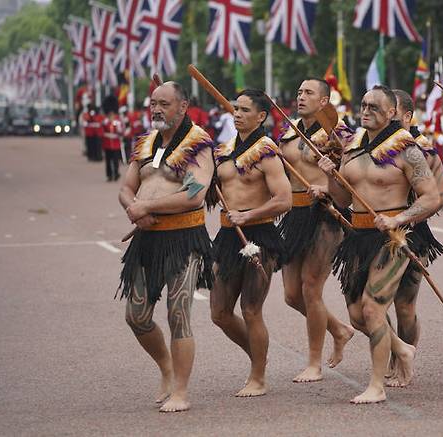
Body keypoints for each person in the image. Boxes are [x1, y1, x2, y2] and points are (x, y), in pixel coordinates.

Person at [318, 85, 440, 404]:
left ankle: (376, 385)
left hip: (393, 239)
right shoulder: (352, 146)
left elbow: (432, 197)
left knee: (374, 309)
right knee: (358, 315)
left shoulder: (408, 149)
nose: (366, 109)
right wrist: (331, 178)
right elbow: (344, 199)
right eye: (363, 104)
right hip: (357, 238)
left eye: (374, 106)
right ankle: (401, 348)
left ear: (391, 113)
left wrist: (399, 220)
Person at [117, 81, 216, 412]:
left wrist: (148, 208)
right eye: (152, 104)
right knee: (136, 315)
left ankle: (181, 392)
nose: (155, 109)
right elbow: (127, 187)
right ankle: (166, 367)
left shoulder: (198, 144)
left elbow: (195, 194)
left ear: (183, 107)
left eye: (163, 104)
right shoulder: (146, 143)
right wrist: (134, 207)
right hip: (147, 239)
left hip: (183, 240)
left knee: (179, 314)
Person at [210, 89, 292, 397]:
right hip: (227, 236)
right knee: (219, 313)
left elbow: (283, 201)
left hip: (259, 236)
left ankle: (258, 377)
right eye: (236, 108)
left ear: (261, 117)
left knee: (251, 309)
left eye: (245, 109)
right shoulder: (224, 150)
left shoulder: (266, 151)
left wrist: (250, 215)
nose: (237, 113)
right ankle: (260, 356)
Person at [277, 78, 355, 383]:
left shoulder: (340, 133)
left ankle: (314, 363)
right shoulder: (288, 131)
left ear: (324, 101)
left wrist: (328, 186)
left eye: (308, 92)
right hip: (293, 215)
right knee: (291, 295)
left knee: (311, 288)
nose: (300, 96)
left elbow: (354, 171)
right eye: (298, 92)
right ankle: (339, 329)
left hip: (325, 214)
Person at [387, 89, 443, 387]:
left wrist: (406, 214)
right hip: (376, 232)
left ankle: (402, 359)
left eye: (390, 110)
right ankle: (392, 351)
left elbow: (440, 197)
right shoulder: (373, 145)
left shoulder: (423, 150)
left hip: (413, 234)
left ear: (407, 116)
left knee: (404, 305)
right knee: (368, 303)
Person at [101, 96, 123, 181]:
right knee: (108, 161)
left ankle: (116, 173)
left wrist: (118, 129)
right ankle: (109, 175)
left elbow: (121, 132)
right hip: (107, 144)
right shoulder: (105, 121)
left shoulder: (117, 121)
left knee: (115, 161)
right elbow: (101, 132)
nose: (111, 114)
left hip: (116, 144)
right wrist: (107, 135)